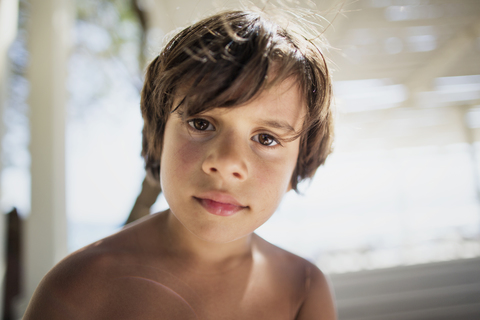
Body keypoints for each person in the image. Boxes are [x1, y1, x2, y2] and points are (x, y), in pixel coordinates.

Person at [24, 9, 336, 319]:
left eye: (266, 138)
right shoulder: (80, 286)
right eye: (201, 124)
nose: (226, 163)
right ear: (159, 137)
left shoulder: (303, 290)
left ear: (300, 162)